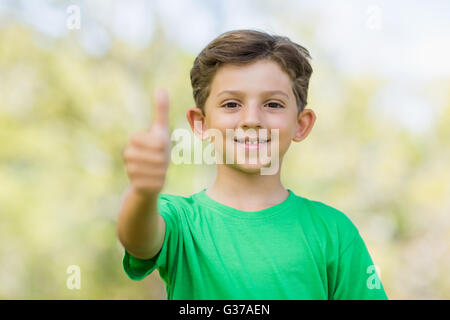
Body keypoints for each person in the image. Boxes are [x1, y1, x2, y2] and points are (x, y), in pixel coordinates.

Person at [117, 29, 388, 300]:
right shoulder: (179, 220)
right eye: (232, 104)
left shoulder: (334, 231)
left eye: (272, 104)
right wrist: (143, 193)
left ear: (301, 124)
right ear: (200, 123)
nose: (252, 119)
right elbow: (138, 239)